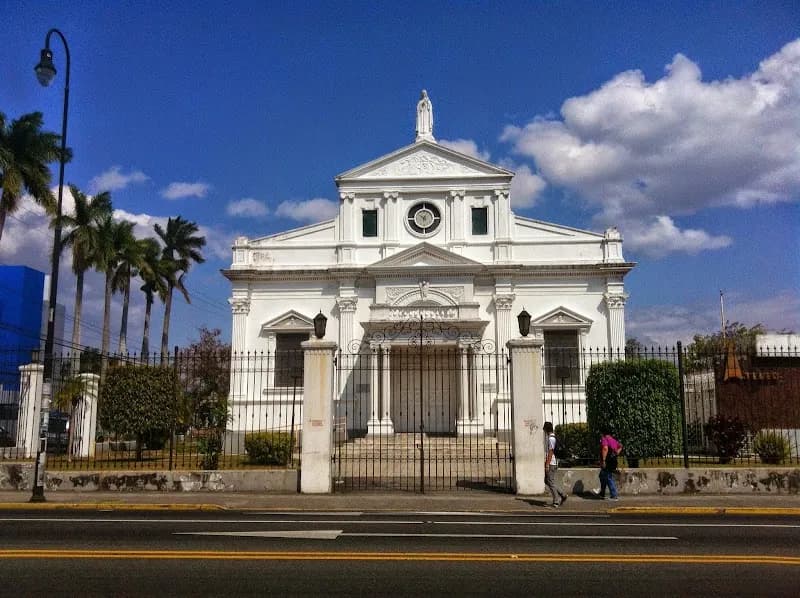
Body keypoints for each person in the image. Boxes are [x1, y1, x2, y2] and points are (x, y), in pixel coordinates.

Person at [543, 422, 567, 508]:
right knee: (547, 481)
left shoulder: (551, 439)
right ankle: (562, 495)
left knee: (550, 482)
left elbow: (550, 452)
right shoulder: (552, 437)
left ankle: (556, 501)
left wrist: (547, 464)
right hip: (552, 462)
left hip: (552, 463)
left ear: (546, 429)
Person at [594, 427, 623, 500]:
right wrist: (616, 453)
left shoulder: (604, 439)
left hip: (607, 461)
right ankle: (602, 493)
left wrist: (603, 460)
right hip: (613, 461)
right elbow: (620, 446)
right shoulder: (613, 440)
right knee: (602, 475)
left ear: (602, 433)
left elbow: (605, 448)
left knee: (608, 477)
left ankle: (614, 495)